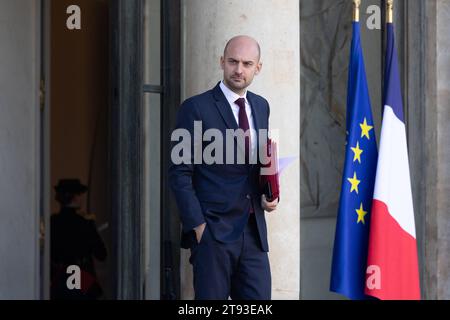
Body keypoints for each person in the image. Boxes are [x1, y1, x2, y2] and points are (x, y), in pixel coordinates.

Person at [169, 35, 278, 300]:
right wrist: (198, 227)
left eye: (247, 64)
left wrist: (268, 194)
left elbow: (255, 164)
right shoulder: (195, 108)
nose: (239, 70)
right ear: (222, 62)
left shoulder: (261, 106)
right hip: (213, 234)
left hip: (253, 233)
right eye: (233, 62)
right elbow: (180, 173)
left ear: (258, 68)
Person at [50, 178, 107, 300]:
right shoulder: (84, 224)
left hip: (59, 280)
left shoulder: (52, 223)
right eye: (80, 194)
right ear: (75, 197)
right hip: (82, 279)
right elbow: (101, 254)